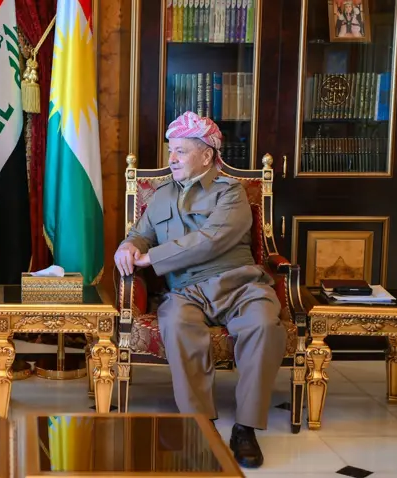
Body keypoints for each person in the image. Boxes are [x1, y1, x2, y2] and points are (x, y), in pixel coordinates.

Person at [114, 112, 286, 468]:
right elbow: (141, 233)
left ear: (206, 155)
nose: (172, 159)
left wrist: (151, 257)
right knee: (177, 323)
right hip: (186, 290)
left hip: (239, 285)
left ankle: (245, 427)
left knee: (263, 325)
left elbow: (212, 239)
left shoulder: (231, 192)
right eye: (170, 151)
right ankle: (199, 424)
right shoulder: (161, 195)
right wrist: (128, 247)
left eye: (180, 151)